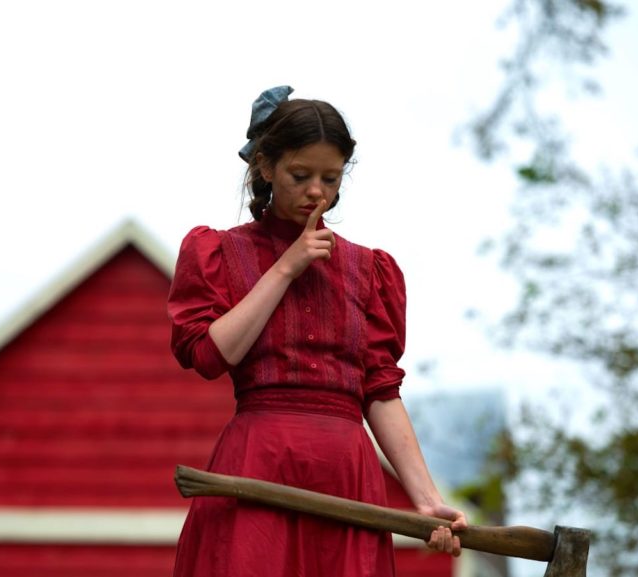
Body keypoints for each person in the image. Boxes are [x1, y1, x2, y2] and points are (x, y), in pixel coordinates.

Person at [167, 86, 467, 577]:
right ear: (265, 166)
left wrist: (426, 498)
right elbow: (209, 355)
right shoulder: (219, 252)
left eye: (330, 178)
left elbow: (380, 391)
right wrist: (286, 267)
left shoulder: (368, 269)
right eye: (300, 175)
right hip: (257, 463)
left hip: (346, 475)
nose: (316, 192)